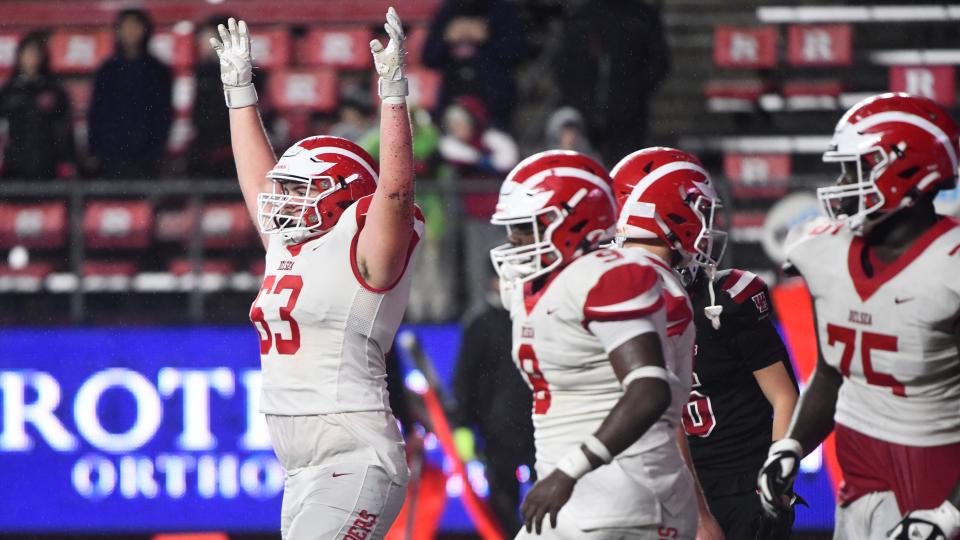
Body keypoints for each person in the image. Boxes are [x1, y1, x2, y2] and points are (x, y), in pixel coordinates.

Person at [210, 9, 424, 539]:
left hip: (356, 455)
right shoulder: (289, 244)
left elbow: (395, 192)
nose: (283, 200)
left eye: (301, 190)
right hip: (302, 470)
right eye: (287, 188)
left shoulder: (365, 250)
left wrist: (393, 94)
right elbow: (256, 180)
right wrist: (240, 91)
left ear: (347, 197)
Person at [757, 93, 960, 540]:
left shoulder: (951, 266)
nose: (843, 183)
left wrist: (952, 510)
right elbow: (831, 373)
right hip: (858, 474)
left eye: (857, 168)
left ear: (907, 171)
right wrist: (792, 443)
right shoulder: (821, 252)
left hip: (938, 476)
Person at [489, 150, 697, 539]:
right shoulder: (540, 286)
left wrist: (569, 470)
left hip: (627, 493)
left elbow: (650, 389)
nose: (513, 242)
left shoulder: (612, 277)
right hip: (568, 493)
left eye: (525, 228)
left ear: (571, 221)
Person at [611, 147, 799, 540]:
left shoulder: (727, 298)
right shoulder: (615, 299)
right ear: (665, 214)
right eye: (698, 212)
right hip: (660, 488)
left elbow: (784, 396)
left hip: (741, 486)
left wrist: (777, 483)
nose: (705, 226)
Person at [453, 275, 535, 535]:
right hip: (497, 430)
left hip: (538, 425)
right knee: (501, 504)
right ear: (493, 281)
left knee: (548, 499)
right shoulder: (481, 322)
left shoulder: (538, 315)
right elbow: (465, 376)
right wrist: (464, 425)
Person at [87, 8, 172, 179]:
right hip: (110, 154)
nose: (130, 32)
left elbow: (164, 114)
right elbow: (96, 112)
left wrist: (157, 150)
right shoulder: (107, 70)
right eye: (126, 27)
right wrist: (96, 149)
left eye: (135, 27)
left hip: (146, 155)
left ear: (145, 30)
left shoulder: (158, 71)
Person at [422, 0, 525, 128]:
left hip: (494, 102)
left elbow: (515, 54)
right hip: (453, 98)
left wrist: (488, 37)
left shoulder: (501, 8)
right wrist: (447, 38)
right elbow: (429, 58)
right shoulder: (448, 9)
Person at [0, 31, 75, 180]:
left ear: (43, 57)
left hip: (48, 164)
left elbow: (64, 127)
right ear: (19, 57)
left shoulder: (55, 91)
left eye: (36, 54)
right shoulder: (8, 91)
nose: (32, 59)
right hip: (14, 166)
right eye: (28, 53)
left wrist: (67, 159)